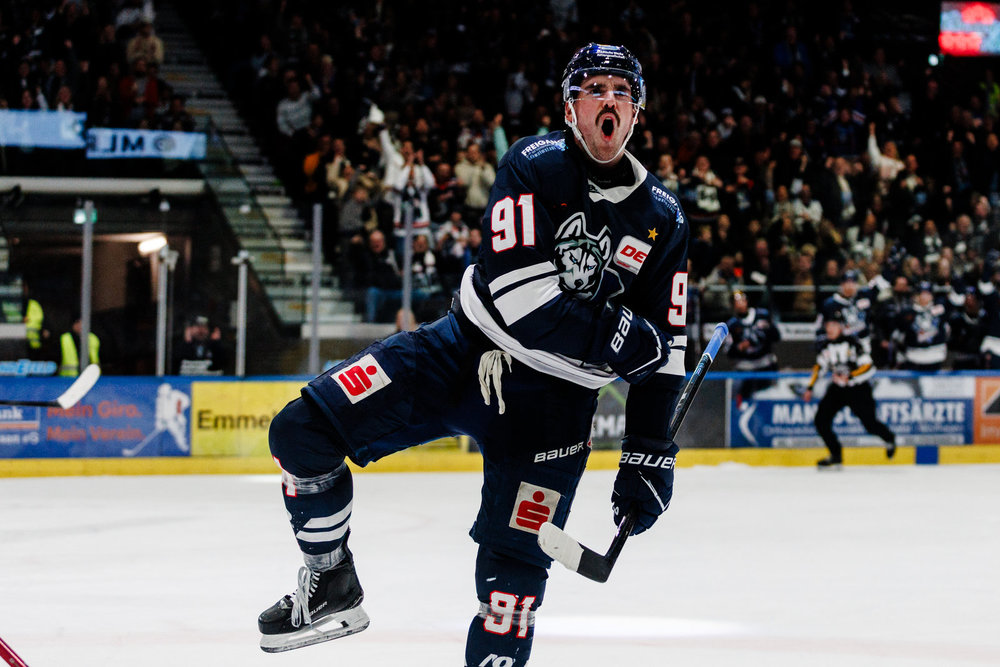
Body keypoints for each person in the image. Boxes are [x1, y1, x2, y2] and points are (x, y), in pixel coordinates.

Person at [258, 43, 690, 665]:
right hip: (459, 352)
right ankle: (331, 582)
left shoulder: (664, 220)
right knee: (301, 431)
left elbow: (666, 353)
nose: (608, 101)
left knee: (511, 590)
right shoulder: (533, 165)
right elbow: (525, 302)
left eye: (621, 92)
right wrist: (621, 337)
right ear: (570, 107)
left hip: (556, 409)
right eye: (594, 89)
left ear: (636, 113)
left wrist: (650, 452)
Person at [803, 309, 896, 469]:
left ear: (841, 327)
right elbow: (820, 367)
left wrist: (851, 376)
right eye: (827, 325)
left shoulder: (853, 343)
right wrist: (810, 387)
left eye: (833, 325)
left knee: (870, 424)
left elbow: (868, 366)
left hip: (858, 390)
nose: (829, 329)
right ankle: (836, 455)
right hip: (838, 390)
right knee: (821, 421)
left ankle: (889, 438)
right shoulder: (824, 345)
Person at [725, 290, 780, 403]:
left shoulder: (762, 315)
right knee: (743, 399)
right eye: (736, 301)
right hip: (745, 367)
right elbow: (728, 350)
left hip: (765, 363)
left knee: (769, 397)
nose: (740, 303)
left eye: (742, 300)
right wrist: (739, 347)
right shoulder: (732, 324)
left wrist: (767, 330)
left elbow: (776, 336)